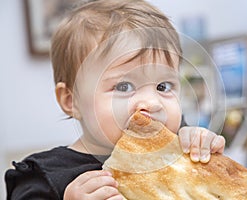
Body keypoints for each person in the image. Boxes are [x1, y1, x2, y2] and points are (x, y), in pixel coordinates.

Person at [5, 0, 225, 199]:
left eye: (163, 86)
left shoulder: (180, 147)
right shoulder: (43, 180)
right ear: (71, 100)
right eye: (123, 87)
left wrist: (202, 152)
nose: (152, 103)